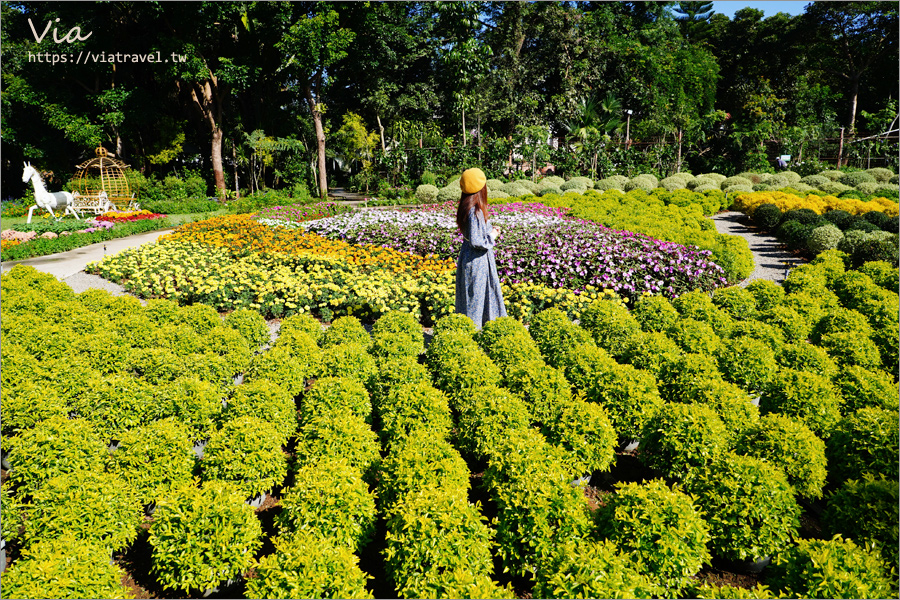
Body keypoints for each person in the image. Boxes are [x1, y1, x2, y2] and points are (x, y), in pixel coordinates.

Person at [455, 168, 507, 328]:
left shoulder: (466, 207)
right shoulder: (475, 211)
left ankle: (473, 330)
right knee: (476, 299)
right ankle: (475, 333)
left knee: (473, 297)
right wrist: (492, 234)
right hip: (477, 259)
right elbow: (478, 241)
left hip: (469, 256)